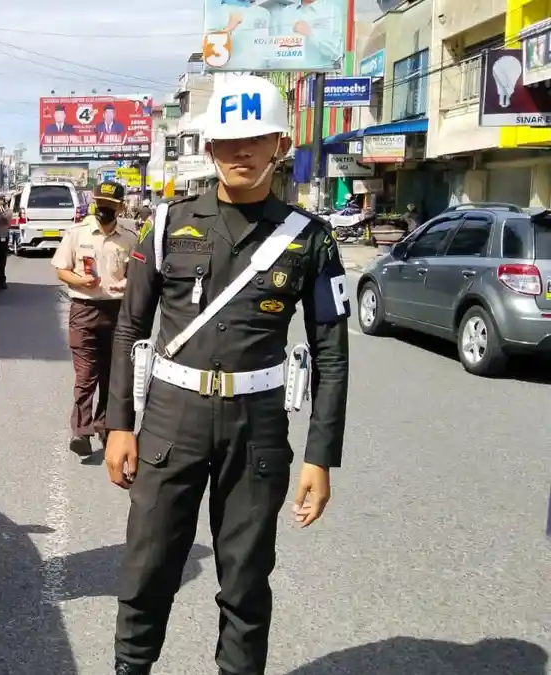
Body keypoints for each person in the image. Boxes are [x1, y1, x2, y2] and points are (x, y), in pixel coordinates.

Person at [104, 74, 350, 675]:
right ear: (210, 148)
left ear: (279, 145)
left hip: (257, 428)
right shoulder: (165, 225)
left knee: (245, 583)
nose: (241, 152)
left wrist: (321, 456)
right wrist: (118, 424)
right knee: (147, 571)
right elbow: (130, 329)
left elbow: (332, 353)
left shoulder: (310, 241)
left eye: (256, 138)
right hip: (170, 420)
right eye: (228, 141)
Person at [53, 180, 138, 458]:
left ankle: (104, 425)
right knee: (86, 375)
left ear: (120, 207)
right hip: (84, 310)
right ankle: (81, 431)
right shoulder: (77, 233)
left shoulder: (130, 235)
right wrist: (80, 280)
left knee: (111, 375)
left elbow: (137, 271)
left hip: (117, 312)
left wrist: (127, 283)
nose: (104, 210)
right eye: (100, 204)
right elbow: (61, 270)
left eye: (110, 206)